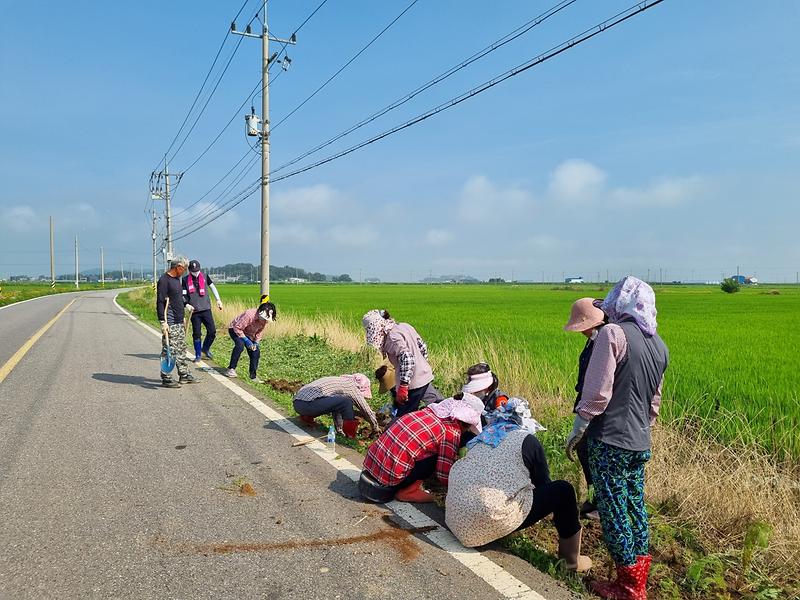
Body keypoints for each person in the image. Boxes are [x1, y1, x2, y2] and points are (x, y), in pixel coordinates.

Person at [565, 276, 668, 599]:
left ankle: (627, 586)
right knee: (635, 506)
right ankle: (638, 579)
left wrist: (578, 428)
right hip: (640, 441)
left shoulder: (613, 333)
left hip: (610, 440)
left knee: (612, 510)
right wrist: (639, 430)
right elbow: (654, 403)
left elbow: (597, 393)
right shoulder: (658, 344)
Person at [445, 398, 591, 572]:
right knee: (563, 491)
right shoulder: (527, 440)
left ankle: (487, 528)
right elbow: (544, 485)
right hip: (489, 516)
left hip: (455, 517)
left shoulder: (484, 436)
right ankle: (571, 562)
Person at [359, 393, 483, 503]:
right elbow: (443, 473)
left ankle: (406, 484)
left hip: (371, 465)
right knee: (434, 458)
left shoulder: (426, 412)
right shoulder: (451, 431)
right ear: (464, 422)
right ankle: (408, 491)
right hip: (390, 477)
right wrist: (457, 489)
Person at [563, 297, 607, 520]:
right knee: (583, 450)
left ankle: (603, 505)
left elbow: (602, 383)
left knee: (596, 453)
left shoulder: (606, 340)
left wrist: (586, 416)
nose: (581, 331)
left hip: (599, 408)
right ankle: (594, 498)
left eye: (583, 326)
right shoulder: (594, 339)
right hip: (586, 401)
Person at [361, 309, 442, 417]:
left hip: (412, 383)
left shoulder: (391, 338)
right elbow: (422, 346)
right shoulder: (404, 326)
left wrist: (404, 385)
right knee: (438, 405)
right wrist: (422, 365)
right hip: (424, 375)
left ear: (376, 328)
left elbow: (407, 357)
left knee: (403, 417)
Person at [293, 373, 380, 438]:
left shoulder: (341, 382)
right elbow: (366, 410)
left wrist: (339, 430)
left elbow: (336, 406)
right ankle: (350, 434)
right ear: (361, 387)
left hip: (298, 404)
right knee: (347, 401)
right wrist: (375, 427)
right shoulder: (352, 387)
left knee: (340, 402)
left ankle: (306, 418)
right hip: (308, 405)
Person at [156, 256, 197, 388]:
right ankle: (166, 376)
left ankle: (183, 374)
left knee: (181, 348)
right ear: (178, 267)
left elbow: (178, 298)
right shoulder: (164, 280)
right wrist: (163, 321)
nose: (185, 271)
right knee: (169, 348)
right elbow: (160, 302)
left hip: (179, 319)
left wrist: (186, 305)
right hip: (170, 320)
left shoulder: (176, 280)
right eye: (184, 268)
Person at [182, 259, 223, 362]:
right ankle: (198, 355)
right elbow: (183, 295)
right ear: (189, 271)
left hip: (206, 309)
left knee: (212, 331)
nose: (195, 273)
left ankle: (205, 348)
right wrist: (186, 304)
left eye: (197, 271)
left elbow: (213, 287)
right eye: (193, 271)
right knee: (197, 333)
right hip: (194, 311)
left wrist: (218, 300)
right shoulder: (185, 280)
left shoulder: (205, 276)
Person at [225, 301, 277, 381]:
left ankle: (253, 376)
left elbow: (259, 332)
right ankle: (231, 369)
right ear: (260, 313)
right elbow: (237, 328)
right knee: (240, 345)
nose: (264, 321)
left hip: (248, 334)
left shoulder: (264, 321)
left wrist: (256, 343)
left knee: (255, 351)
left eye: (266, 319)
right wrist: (246, 340)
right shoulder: (249, 315)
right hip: (235, 329)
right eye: (263, 318)